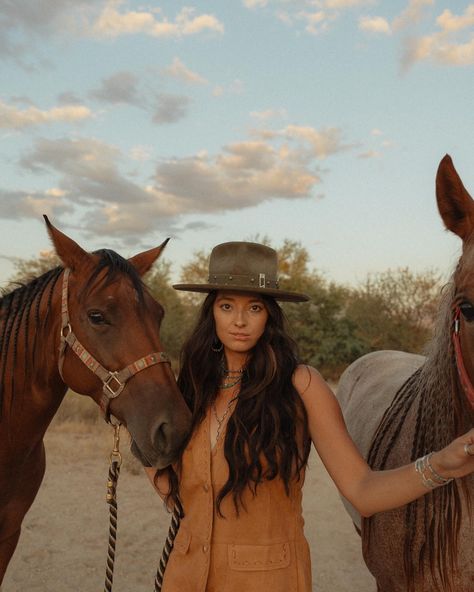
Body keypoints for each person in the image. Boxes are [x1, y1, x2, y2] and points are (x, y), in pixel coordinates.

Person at [145, 241, 474, 592]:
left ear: (269, 314)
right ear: (212, 312)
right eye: (227, 306)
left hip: (267, 581)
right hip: (185, 576)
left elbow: (362, 490)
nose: (239, 321)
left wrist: (440, 465)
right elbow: (169, 477)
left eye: (253, 307)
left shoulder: (301, 384)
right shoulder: (193, 386)